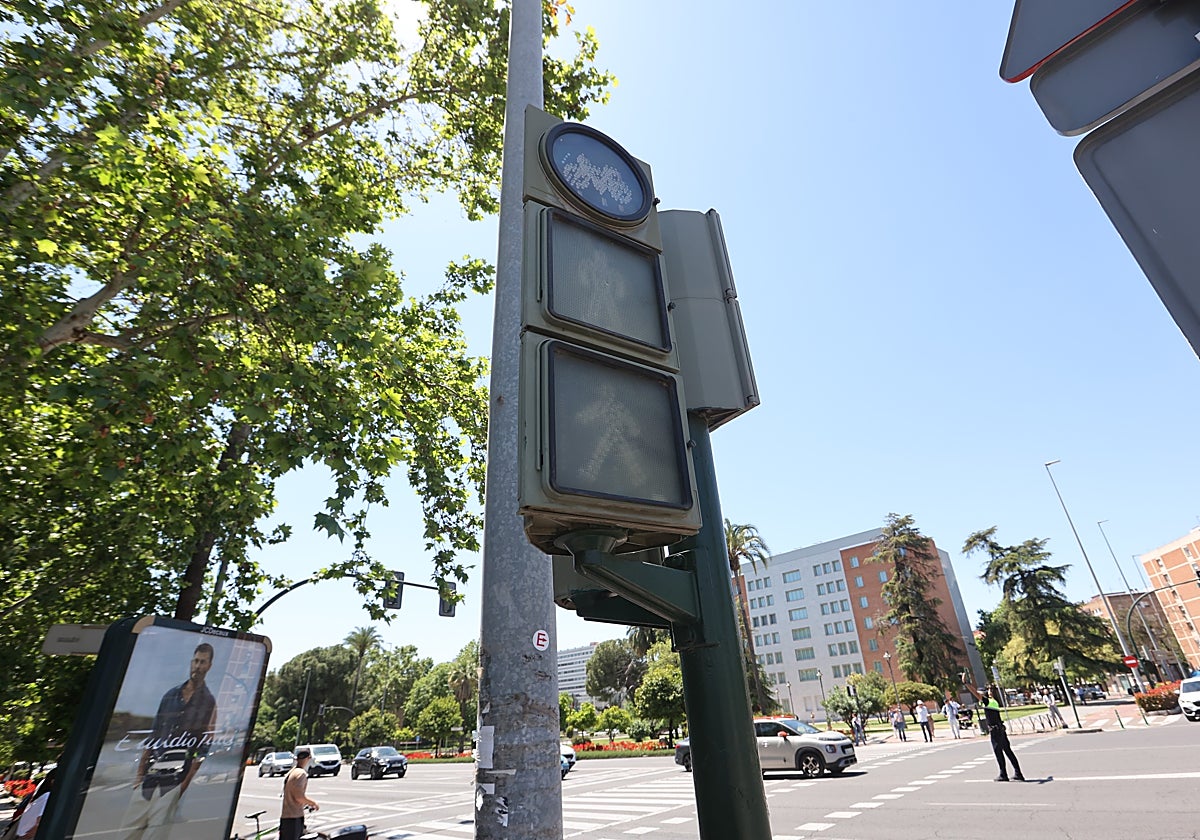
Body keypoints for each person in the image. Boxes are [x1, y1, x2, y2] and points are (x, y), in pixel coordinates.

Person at [122, 642, 219, 840]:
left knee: (155, 836)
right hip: (149, 778)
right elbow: (154, 735)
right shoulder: (171, 695)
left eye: (203, 662)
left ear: (209, 666)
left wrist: (184, 785)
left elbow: (202, 750)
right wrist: (139, 776)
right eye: (196, 661)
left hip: (173, 782)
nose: (197, 666)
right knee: (127, 834)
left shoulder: (209, 703)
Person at [964, 680, 1025, 782]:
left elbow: (976, 694)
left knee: (999, 753)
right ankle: (1018, 773)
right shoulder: (994, 702)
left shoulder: (988, 701)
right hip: (1000, 729)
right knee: (1008, 752)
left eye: (989, 690)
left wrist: (966, 684)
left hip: (995, 731)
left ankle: (1003, 774)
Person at [280, 747, 319, 840]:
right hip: (294, 817)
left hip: (286, 816)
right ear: (308, 758)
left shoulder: (291, 772)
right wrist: (313, 803)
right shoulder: (301, 774)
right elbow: (299, 797)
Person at [12, 768, 54, 840]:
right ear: (53, 781)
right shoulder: (47, 797)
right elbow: (38, 823)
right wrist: (25, 837)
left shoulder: (41, 796)